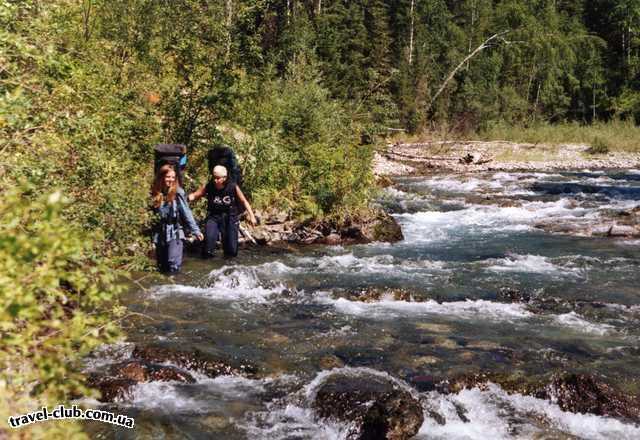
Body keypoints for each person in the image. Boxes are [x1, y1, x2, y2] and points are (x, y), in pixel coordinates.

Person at [188, 165, 257, 258]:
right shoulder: (209, 186)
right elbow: (195, 195)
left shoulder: (232, 186)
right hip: (214, 216)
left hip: (230, 217)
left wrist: (252, 216)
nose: (215, 180)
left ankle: (228, 266)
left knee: (231, 251)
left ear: (224, 178)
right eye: (214, 177)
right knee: (208, 244)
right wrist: (186, 198)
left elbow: (244, 201)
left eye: (218, 178)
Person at [151, 164, 203, 273]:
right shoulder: (155, 192)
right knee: (162, 267)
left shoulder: (178, 192)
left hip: (175, 232)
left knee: (172, 264)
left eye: (173, 177)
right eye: (168, 177)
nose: (170, 180)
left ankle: (175, 286)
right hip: (160, 233)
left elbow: (186, 212)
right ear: (161, 177)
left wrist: (196, 230)